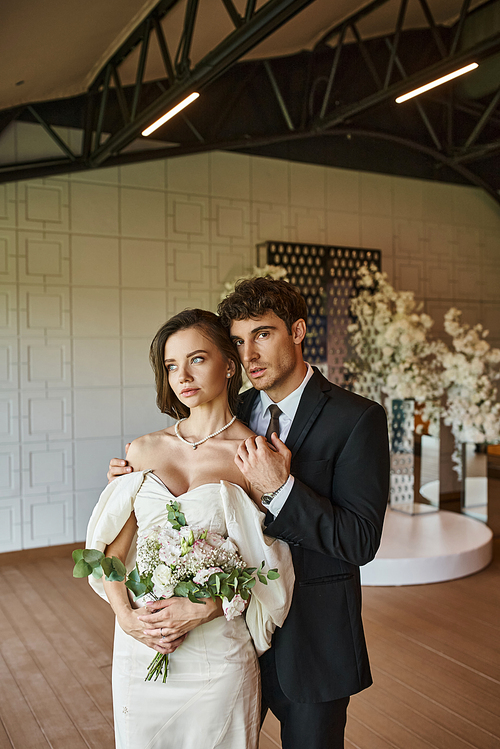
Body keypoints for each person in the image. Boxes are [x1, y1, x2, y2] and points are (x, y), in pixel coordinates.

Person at [109, 277, 390, 749]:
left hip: (312, 640)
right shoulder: (228, 408)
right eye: (237, 341)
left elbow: (361, 540)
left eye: (262, 334)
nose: (248, 355)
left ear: (297, 331)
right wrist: (132, 483)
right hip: (222, 637)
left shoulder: (356, 418)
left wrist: (281, 489)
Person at [88, 308, 294, 749]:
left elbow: (268, 567)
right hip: (141, 645)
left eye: (197, 359)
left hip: (216, 655)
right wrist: (126, 618)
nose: (182, 375)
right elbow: (108, 554)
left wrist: (208, 608)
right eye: (170, 365)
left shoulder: (252, 456)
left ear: (229, 364)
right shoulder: (142, 450)